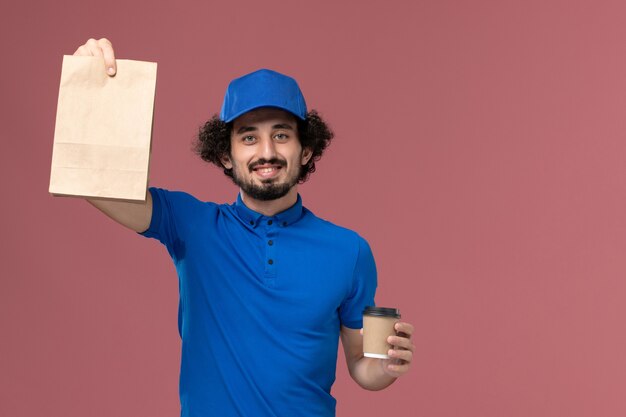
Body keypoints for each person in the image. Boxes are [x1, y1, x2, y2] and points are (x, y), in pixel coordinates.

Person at [72, 37, 415, 417]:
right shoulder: (190, 225)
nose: (266, 152)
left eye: (281, 135)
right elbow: (91, 183)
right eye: (249, 137)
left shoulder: (350, 251)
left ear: (305, 150)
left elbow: (359, 362)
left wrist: (384, 367)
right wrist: (89, 86)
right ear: (225, 154)